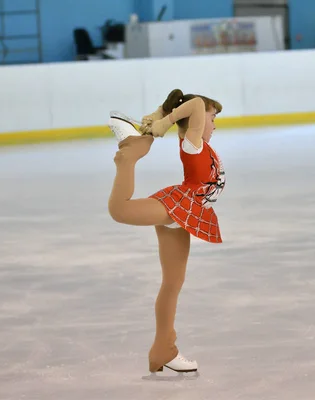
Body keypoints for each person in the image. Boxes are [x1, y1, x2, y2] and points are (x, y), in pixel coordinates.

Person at [106, 89, 225, 374]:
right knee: (120, 210)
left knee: (173, 282)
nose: (214, 124)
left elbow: (190, 105)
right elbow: (194, 104)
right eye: (212, 117)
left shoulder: (201, 144)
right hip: (179, 205)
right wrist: (166, 121)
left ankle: (163, 350)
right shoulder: (192, 143)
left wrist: (161, 115)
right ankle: (129, 155)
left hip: (186, 213)